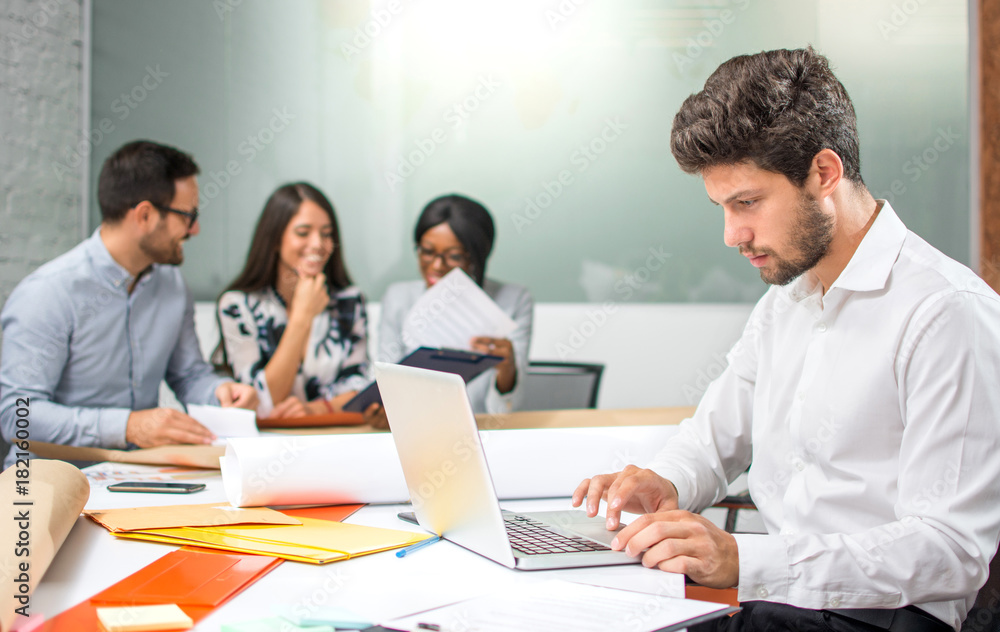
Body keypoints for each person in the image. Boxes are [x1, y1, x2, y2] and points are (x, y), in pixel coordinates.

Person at [573, 48, 1000, 631]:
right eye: (721, 207)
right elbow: (712, 437)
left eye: (747, 202)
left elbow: (950, 551)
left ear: (824, 173)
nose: (732, 234)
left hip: (878, 617)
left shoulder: (947, 313)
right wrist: (665, 481)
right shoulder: (786, 299)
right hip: (778, 597)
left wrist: (744, 560)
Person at [0, 140, 258, 466]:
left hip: (139, 475)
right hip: (50, 487)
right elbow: (17, 416)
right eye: (188, 215)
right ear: (145, 216)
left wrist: (220, 393)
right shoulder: (48, 294)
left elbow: (189, 375)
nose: (195, 229)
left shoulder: (172, 284)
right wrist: (127, 427)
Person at [215, 182, 378, 423]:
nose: (318, 244)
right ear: (275, 240)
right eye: (303, 233)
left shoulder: (349, 301)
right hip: (267, 443)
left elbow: (359, 392)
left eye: (326, 233)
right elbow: (262, 402)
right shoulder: (238, 306)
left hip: (335, 436)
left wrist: (315, 410)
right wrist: (302, 317)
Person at [379, 194, 533, 415]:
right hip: (414, 427)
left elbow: (505, 411)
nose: (437, 265)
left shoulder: (514, 300)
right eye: (427, 252)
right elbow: (384, 381)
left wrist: (507, 371)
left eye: (454, 256)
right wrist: (382, 406)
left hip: (483, 432)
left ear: (477, 258)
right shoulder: (398, 298)